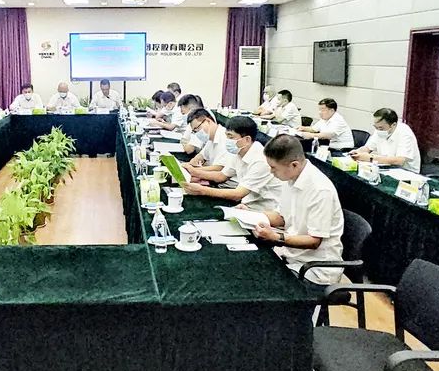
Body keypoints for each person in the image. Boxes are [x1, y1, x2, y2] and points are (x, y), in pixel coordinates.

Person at [250, 135, 345, 285]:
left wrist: (275, 237)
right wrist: (249, 215)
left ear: (294, 165)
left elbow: (314, 241)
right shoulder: (290, 178)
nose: (271, 172)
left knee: (260, 283)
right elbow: (282, 217)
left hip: (314, 268)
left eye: (274, 168)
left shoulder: (320, 190)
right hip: (290, 255)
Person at [181, 116, 283, 211]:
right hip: (246, 204)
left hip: (264, 210)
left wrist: (202, 190)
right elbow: (221, 176)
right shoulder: (238, 151)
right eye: (226, 136)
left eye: (230, 137)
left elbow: (237, 194)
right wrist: (194, 172)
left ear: (247, 139)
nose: (227, 141)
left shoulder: (260, 160)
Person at [350, 108, 422, 173]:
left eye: (381, 128)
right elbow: (368, 148)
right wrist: (358, 152)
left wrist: (370, 158)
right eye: (376, 127)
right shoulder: (379, 130)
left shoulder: (405, 133)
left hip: (406, 172)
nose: (378, 130)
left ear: (393, 125)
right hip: (387, 167)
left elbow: (399, 160)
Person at [183, 109, 233, 174]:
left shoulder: (224, 137)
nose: (197, 133)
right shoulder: (210, 138)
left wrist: (193, 170)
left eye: (197, 128)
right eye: (194, 131)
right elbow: (202, 155)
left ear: (208, 121)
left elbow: (219, 168)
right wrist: (194, 161)